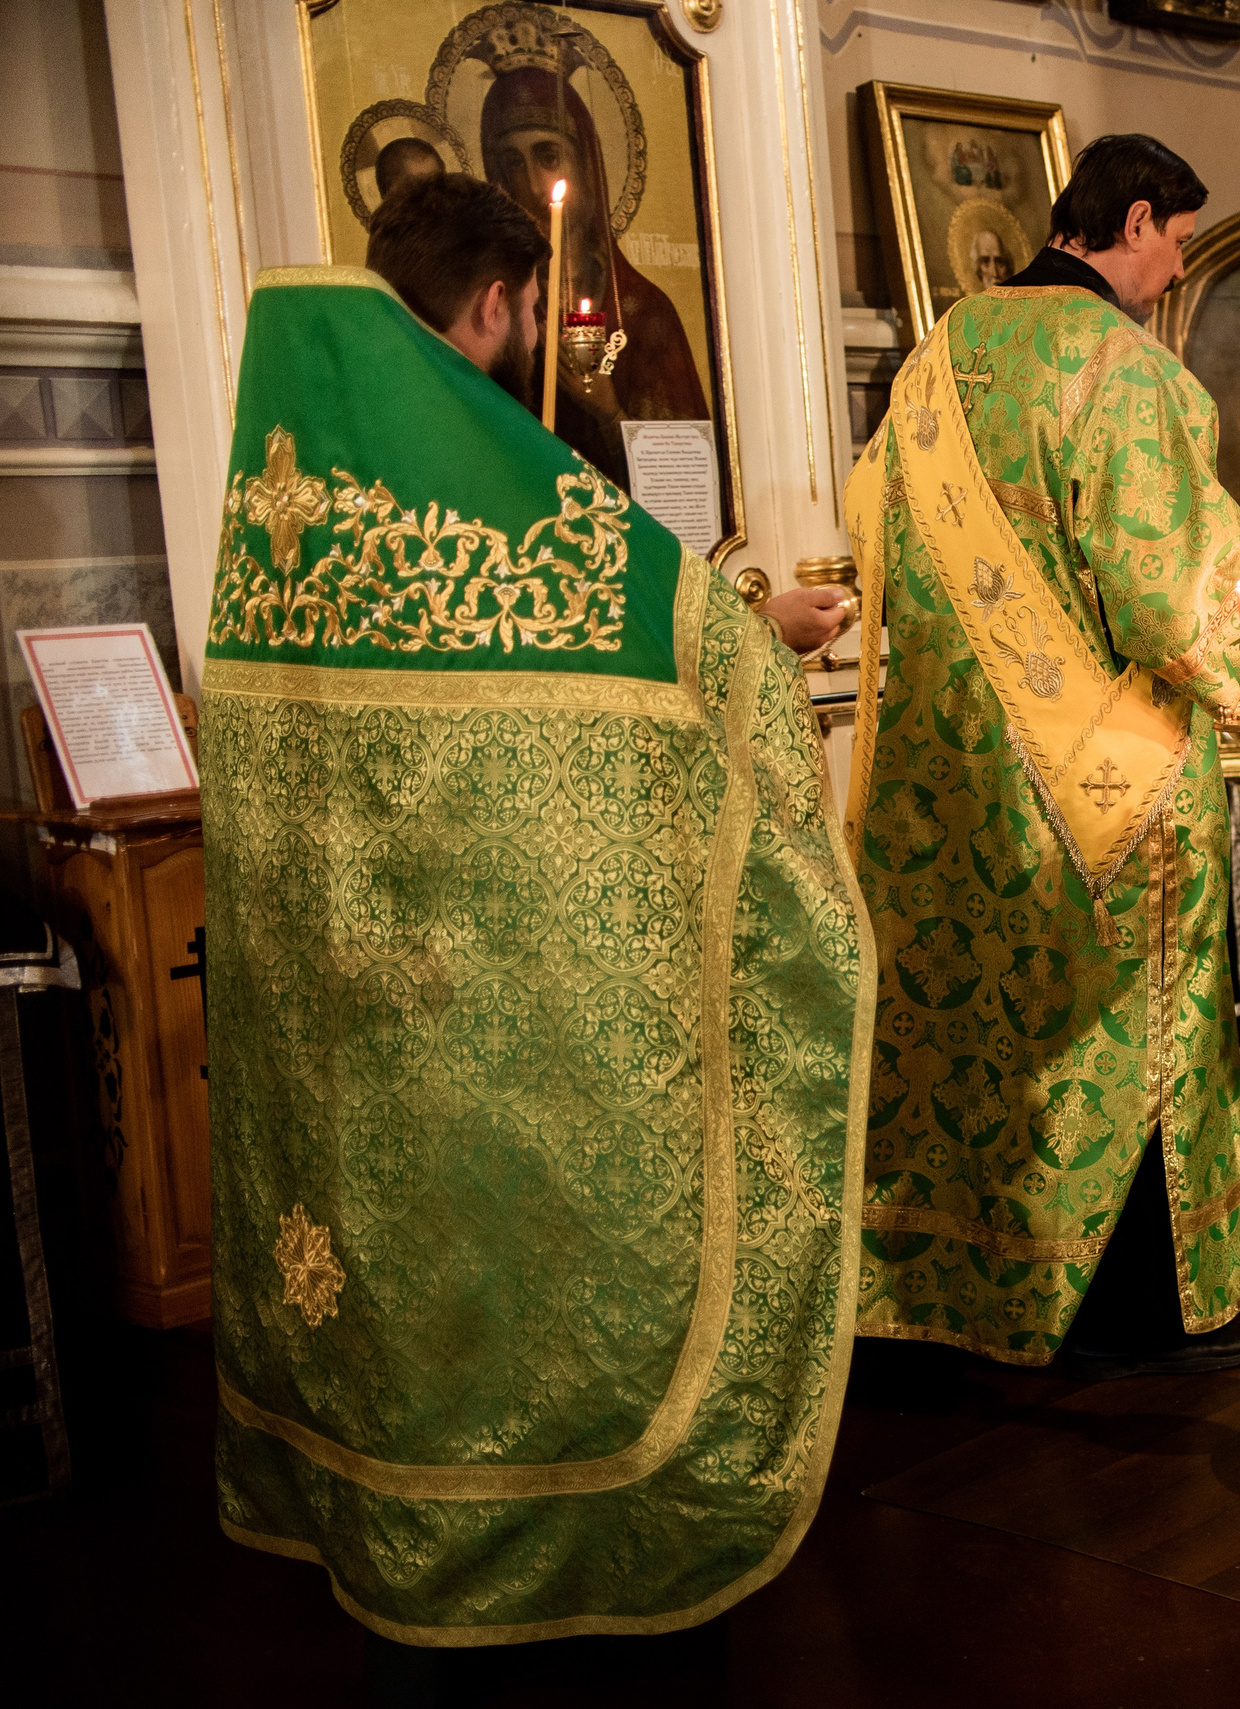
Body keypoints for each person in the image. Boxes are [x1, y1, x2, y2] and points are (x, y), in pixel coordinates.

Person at [199, 172, 865, 1650]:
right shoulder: (478, 469)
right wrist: (751, 631)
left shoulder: (284, 484)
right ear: (496, 302)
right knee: (503, 1253)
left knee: (382, 1256)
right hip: (478, 979)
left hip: (338, 992)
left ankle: (370, 1514)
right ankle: (524, 1523)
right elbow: (665, 645)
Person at [843, 134, 1240, 1380]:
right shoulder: (1123, 372)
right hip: (1099, 789)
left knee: (974, 1037)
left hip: (944, 778)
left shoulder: (937, 356)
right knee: (1133, 1039)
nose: (1171, 273)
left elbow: (868, 520)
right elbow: (1177, 605)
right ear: (1139, 218)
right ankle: (1138, 1310)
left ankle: (948, 1292)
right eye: (1175, 243)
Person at [474, 31, 709, 487]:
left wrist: (609, 412)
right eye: (512, 164)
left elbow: (686, 483)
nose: (533, 187)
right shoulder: (493, 315)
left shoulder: (645, 310)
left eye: (548, 156)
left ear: (588, 165)